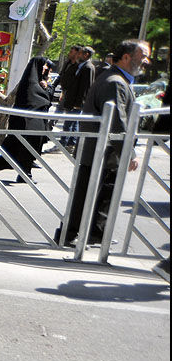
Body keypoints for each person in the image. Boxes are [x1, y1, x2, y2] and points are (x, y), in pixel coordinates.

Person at [53, 40, 150, 248]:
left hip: (105, 152)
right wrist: (128, 153)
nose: (146, 61)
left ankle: (95, 234)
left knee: (104, 193)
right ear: (126, 57)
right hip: (100, 151)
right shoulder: (115, 82)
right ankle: (68, 235)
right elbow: (117, 120)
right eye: (143, 56)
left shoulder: (118, 79)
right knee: (86, 194)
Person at [0, 56, 55, 183]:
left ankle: (15, 171)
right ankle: (23, 174)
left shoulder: (39, 82)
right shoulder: (30, 82)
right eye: (44, 65)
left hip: (34, 122)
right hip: (26, 122)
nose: (46, 68)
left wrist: (46, 86)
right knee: (21, 149)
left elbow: (47, 98)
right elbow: (38, 100)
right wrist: (44, 90)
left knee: (21, 149)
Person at [59, 46, 95, 147]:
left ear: (86, 55)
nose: (77, 55)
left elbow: (85, 87)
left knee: (68, 124)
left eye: (80, 53)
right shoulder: (79, 65)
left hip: (77, 103)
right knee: (73, 123)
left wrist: (79, 103)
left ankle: (63, 144)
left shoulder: (88, 67)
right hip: (72, 100)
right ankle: (71, 144)